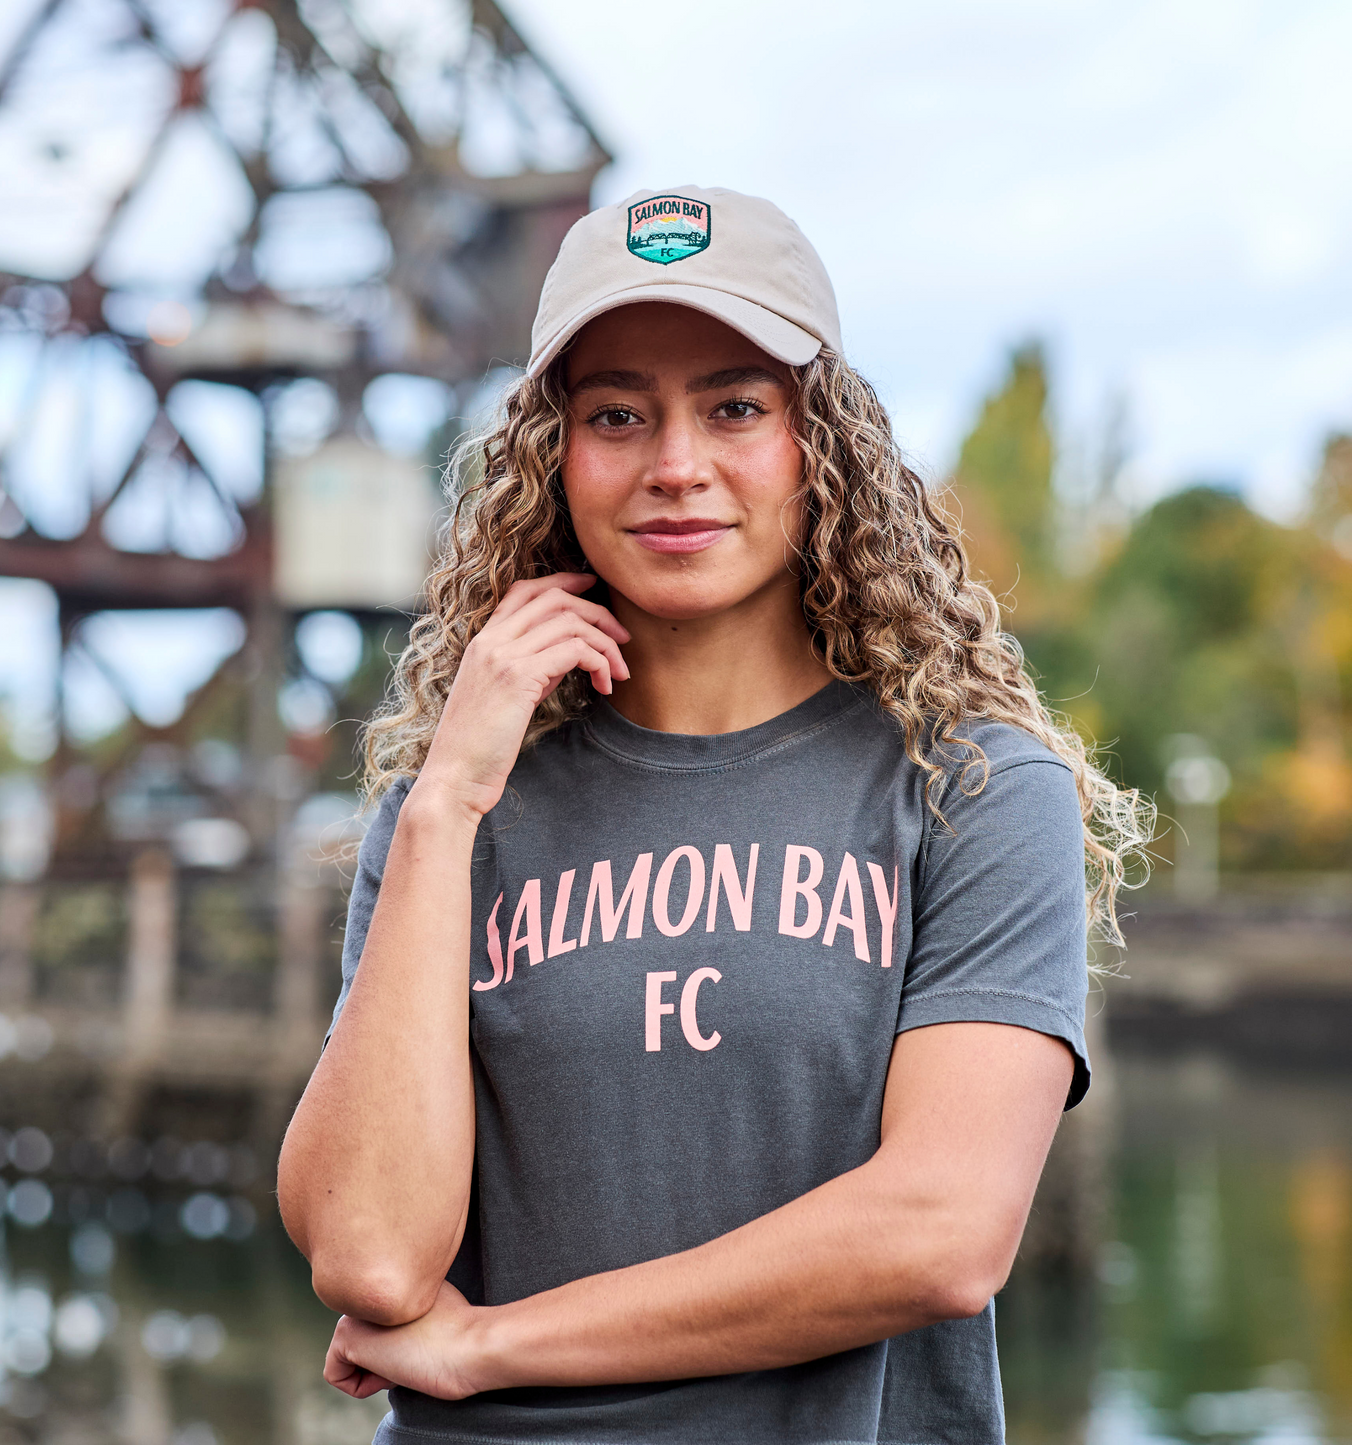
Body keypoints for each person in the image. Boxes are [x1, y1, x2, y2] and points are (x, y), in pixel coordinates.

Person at [277, 185, 1148, 1445]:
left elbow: (940, 1234)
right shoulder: (454, 819)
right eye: (615, 414)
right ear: (551, 458)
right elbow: (367, 1254)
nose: (674, 465)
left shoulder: (969, 788)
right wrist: (444, 802)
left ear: (821, 442)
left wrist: (493, 1342)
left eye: (734, 406)